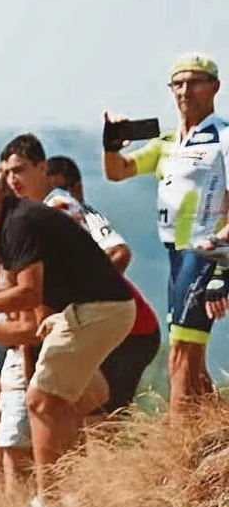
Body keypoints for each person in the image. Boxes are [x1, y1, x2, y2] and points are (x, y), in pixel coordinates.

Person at [0, 160, 135, 506]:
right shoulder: (9, 228)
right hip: (91, 311)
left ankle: (49, 503)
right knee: (62, 404)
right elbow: (25, 321)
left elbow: (29, 295)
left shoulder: (19, 224)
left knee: (40, 401)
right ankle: (77, 497)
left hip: (97, 309)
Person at [102, 52, 229, 408]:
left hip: (206, 253)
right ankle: (213, 434)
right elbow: (119, 171)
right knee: (192, 360)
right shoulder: (167, 142)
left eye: (195, 81)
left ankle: (174, 453)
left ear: (215, 87)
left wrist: (222, 266)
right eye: (178, 83)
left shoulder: (224, 137)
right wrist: (111, 143)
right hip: (176, 256)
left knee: (180, 358)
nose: (185, 90)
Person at [46, 155, 161, 415]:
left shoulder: (84, 214)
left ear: (77, 188)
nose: (56, 200)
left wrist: (91, 295)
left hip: (133, 332)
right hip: (111, 327)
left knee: (102, 413)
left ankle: (112, 456)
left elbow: (120, 253)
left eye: (61, 190)